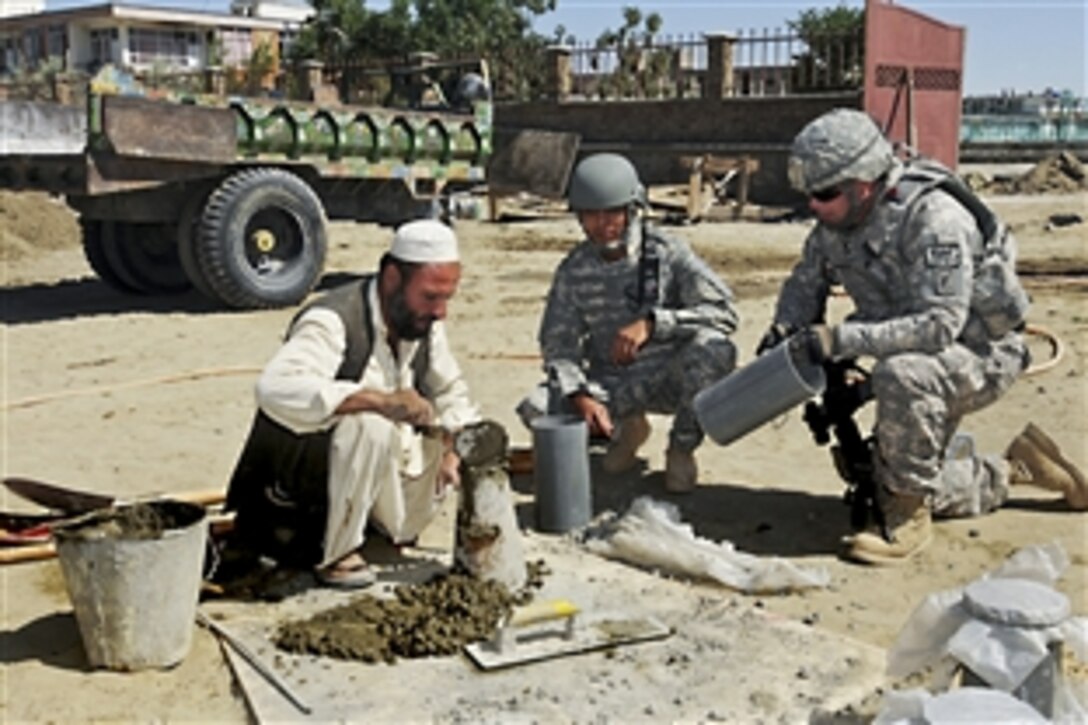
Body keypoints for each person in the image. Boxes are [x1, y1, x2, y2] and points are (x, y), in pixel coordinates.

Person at [760, 108, 1085, 565]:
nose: (814, 205)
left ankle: (907, 518)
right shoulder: (836, 225)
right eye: (809, 195)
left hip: (980, 351)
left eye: (824, 194)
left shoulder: (935, 218)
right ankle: (1015, 468)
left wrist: (839, 340)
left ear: (863, 184)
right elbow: (804, 282)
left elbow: (938, 326)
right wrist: (786, 329)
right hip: (911, 345)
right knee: (873, 478)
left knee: (901, 377)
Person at [223, 219, 479, 588]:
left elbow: (452, 391)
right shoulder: (331, 320)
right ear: (392, 278)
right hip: (297, 487)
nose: (441, 312)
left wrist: (455, 445)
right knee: (368, 423)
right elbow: (275, 387)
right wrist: (378, 401)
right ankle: (336, 554)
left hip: (377, 474)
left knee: (463, 431)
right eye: (430, 297)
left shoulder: (422, 323)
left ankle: (386, 529)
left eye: (445, 299)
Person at [516, 152, 739, 493]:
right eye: (591, 214)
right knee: (536, 407)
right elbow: (558, 345)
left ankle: (681, 448)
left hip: (669, 377)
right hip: (612, 383)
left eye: (612, 212)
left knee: (715, 350)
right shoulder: (574, 270)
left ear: (632, 209)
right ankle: (628, 430)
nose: (602, 223)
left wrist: (654, 323)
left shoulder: (667, 253)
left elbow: (723, 312)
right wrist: (579, 396)